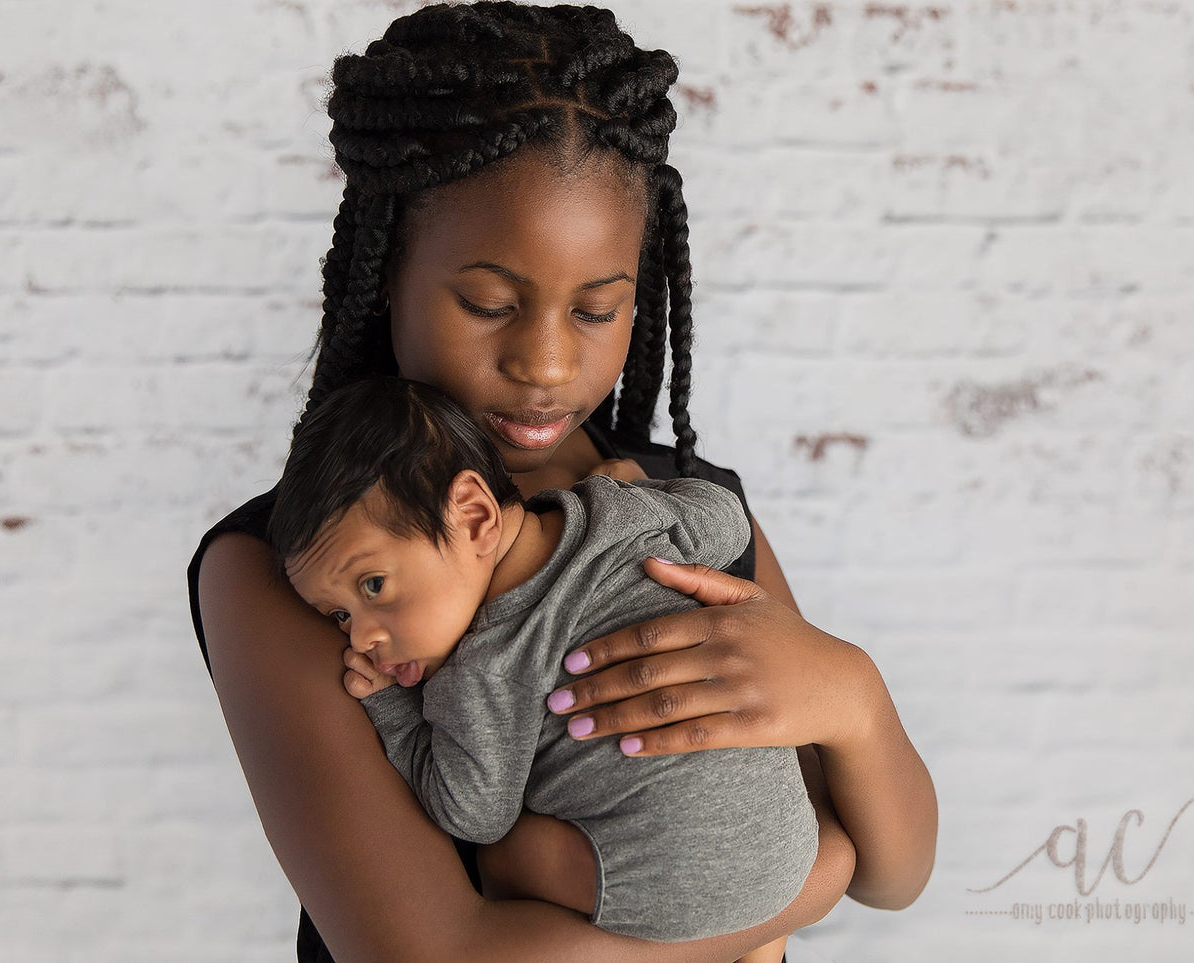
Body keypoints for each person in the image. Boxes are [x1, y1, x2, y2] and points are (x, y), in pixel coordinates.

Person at [185, 3, 938, 961]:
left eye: (596, 309)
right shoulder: (307, 575)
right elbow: (434, 957)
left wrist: (855, 699)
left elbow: (893, 873)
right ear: (385, 276)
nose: (544, 363)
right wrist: (798, 892)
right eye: (489, 303)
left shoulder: (673, 515)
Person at [266, 375, 820, 948]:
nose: (362, 638)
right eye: (338, 616)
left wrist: (395, 709)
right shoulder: (617, 516)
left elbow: (472, 815)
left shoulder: (481, 670)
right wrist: (648, 492)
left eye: (373, 585)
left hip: (666, 886)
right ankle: (759, 942)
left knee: (506, 852)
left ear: (477, 517)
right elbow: (728, 522)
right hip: (792, 847)